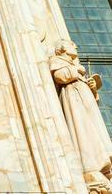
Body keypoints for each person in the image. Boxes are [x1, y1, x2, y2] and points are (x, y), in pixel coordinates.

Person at [50, 40, 112, 189]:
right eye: (72, 44)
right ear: (62, 49)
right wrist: (76, 70)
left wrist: (93, 88)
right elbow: (60, 76)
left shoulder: (74, 65)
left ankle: (104, 163)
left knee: (95, 131)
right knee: (84, 131)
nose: (76, 46)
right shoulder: (57, 60)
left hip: (86, 105)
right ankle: (93, 165)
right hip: (75, 102)